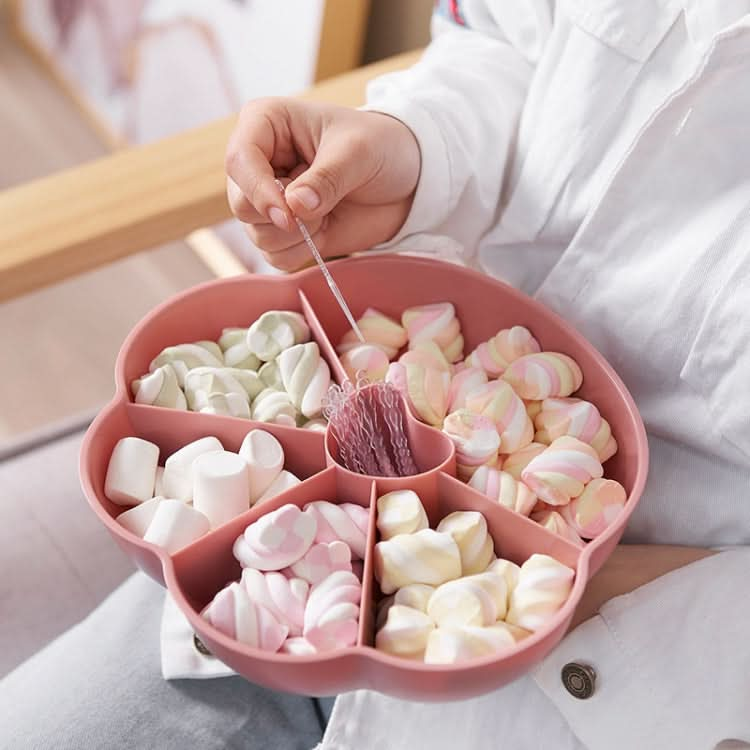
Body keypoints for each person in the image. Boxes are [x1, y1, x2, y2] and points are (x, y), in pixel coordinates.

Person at [1, 2, 748, 748]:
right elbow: (502, 37)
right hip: (279, 578)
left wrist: (614, 582)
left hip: (640, 664)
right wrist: (419, 147)